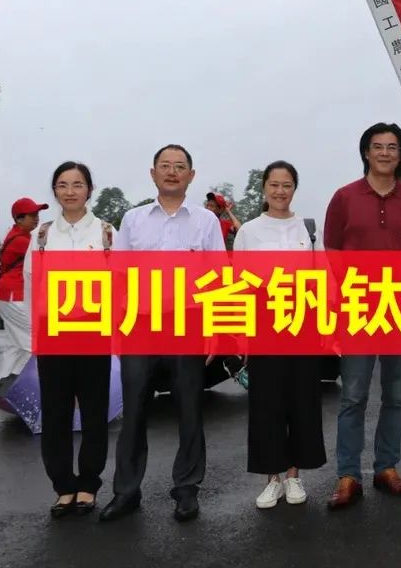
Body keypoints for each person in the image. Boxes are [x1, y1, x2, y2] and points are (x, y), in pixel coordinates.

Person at [99, 144, 227, 523]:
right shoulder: (133, 220)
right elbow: (118, 276)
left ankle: (186, 489)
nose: (172, 172)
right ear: (153, 173)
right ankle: (126, 492)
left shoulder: (205, 221)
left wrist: (216, 329)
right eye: (165, 166)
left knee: (189, 409)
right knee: (134, 410)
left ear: (191, 175)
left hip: (188, 323)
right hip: (140, 324)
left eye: (180, 166)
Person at [323, 122, 401, 508]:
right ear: (366, 152)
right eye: (377, 146)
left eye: (392, 147)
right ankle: (348, 474)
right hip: (358, 311)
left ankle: (387, 467)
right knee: (353, 396)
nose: (385, 153)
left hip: (400, 311)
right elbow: (333, 250)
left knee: (396, 396)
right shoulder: (344, 197)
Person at [234, 161, 326, 509]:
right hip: (264, 323)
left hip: (302, 320)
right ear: (264, 188)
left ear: (294, 189)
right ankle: (272, 479)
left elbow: (323, 278)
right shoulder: (250, 231)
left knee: (302, 400)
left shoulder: (308, 229)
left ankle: (294, 476)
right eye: (274, 185)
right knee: (266, 403)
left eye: (286, 185)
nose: (280, 191)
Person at [23, 163, 113, 516]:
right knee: (56, 412)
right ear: (55, 191)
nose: (70, 191)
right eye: (62, 185)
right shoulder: (42, 235)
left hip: (94, 333)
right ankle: (63, 486)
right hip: (54, 334)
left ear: (89, 189)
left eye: (77, 184)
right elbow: (32, 287)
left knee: (94, 412)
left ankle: (89, 484)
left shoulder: (106, 233)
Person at [0, 197, 48, 393]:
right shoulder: (23, 241)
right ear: (19, 219)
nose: (36, 218)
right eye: (32, 215)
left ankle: (3, 388)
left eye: (37, 214)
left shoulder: (17, 235)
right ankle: (39, 389)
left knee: (15, 346)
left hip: (9, 296)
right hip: (15, 296)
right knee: (36, 341)